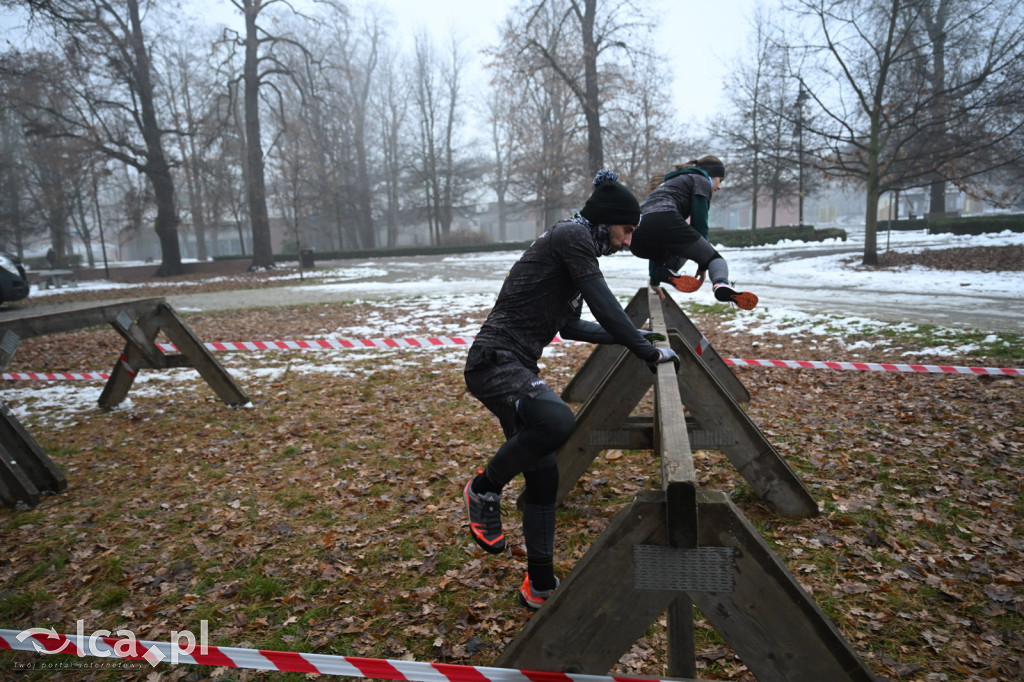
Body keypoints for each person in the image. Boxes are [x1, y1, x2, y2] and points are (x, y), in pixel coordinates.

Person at [462, 169, 679, 609]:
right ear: (606, 221)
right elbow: (604, 303)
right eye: (625, 229)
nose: (626, 241)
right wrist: (643, 350)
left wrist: (634, 337)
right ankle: (483, 489)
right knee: (557, 419)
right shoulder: (571, 237)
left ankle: (538, 585)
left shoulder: (575, 248)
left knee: (544, 479)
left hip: (516, 363)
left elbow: (570, 324)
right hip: (494, 361)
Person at [629, 156, 759, 310]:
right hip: (665, 219)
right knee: (714, 259)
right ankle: (721, 284)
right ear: (711, 175)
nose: (720, 187)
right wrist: (703, 261)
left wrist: (654, 281)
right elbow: (699, 222)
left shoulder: (667, 185)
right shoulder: (701, 180)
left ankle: (665, 272)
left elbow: (657, 238)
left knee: (672, 245)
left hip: (634, 233)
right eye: (720, 180)